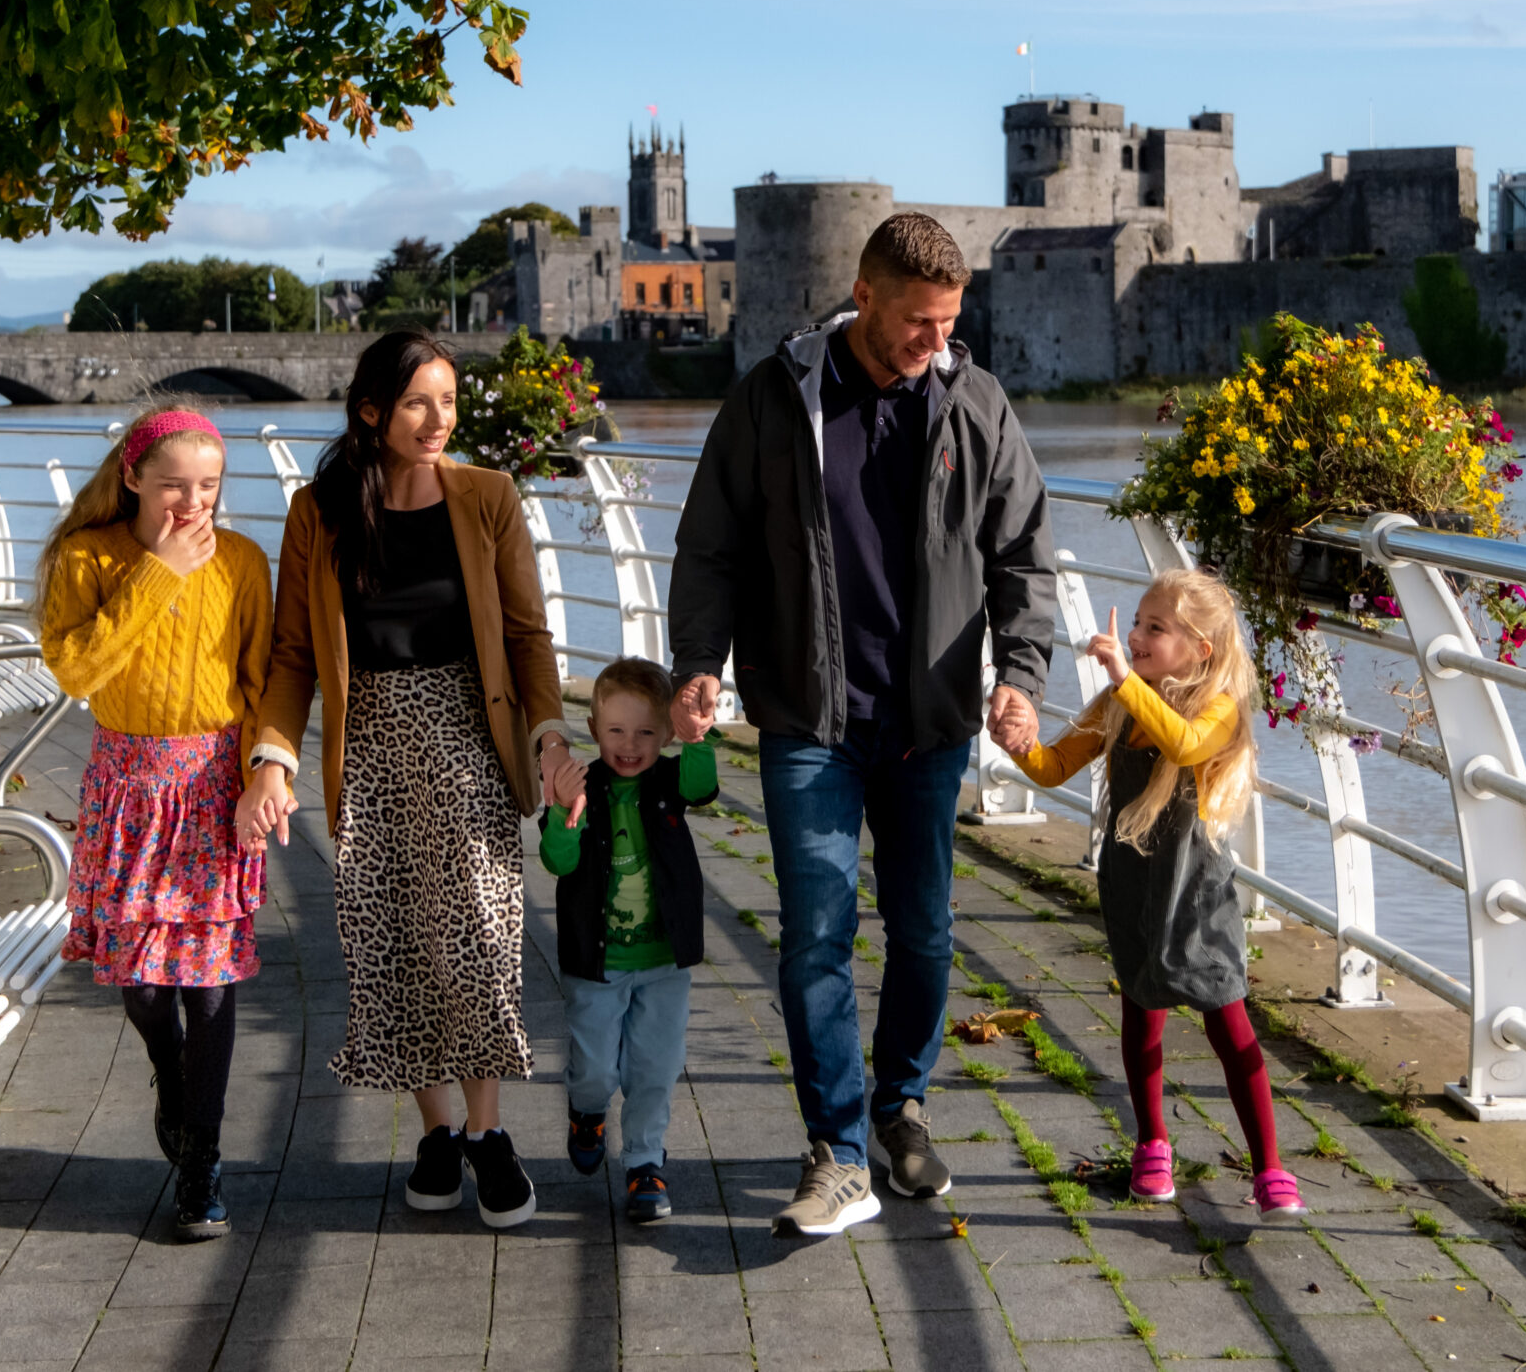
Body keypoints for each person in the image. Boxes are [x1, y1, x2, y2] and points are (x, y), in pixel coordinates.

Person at [667, 212, 1056, 1237]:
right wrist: (698, 664)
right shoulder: (772, 398)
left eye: (948, 324)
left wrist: (1018, 673)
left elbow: (1022, 552)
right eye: (919, 323)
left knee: (924, 932)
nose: (935, 343)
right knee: (817, 935)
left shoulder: (974, 403)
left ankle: (902, 1107)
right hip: (809, 716)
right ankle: (838, 1150)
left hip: (930, 721)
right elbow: (711, 547)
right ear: (865, 294)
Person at [242, 329, 579, 1231]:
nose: (439, 419)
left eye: (449, 400)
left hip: (470, 737)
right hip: (374, 752)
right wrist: (271, 756)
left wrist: (549, 737)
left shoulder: (488, 497)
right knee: (389, 942)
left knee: (478, 932)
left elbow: (526, 636)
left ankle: (488, 1132)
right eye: (419, 402)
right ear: (371, 412)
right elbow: (291, 655)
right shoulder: (318, 513)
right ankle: (437, 1133)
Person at [994, 569, 1305, 1224]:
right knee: (1142, 1013)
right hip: (1131, 879)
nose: (1134, 635)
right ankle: (1152, 1141)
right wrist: (1020, 744)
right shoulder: (1117, 706)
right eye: (1136, 622)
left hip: (1197, 891)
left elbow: (1184, 742)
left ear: (1201, 648)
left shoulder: (1217, 706)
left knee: (1230, 1022)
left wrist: (1125, 681)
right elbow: (1054, 766)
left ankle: (1270, 1165)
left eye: (1154, 627)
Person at [37, 406, 273, 1241]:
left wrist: (263, 775)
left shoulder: (244, 560)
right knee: (141, 981)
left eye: (208, 485)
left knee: (209, 984)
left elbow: (257, 681)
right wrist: (159, 571)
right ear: (133, 476)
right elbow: (76, 667)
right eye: (175, 483)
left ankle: (203, 1161)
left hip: (213, 788)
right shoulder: (87, 556)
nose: (193, 501)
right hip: (128, 791)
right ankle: (170, 1074)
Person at [539, 657, 720, 1226]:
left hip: (663, 961)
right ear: (594, 731)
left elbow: (703, 787)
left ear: (664, 733)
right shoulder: (581, 787)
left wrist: (695, 741)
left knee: (655, 1066)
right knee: (596, 1067)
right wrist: (563, 816)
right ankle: (587, 1110)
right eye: (615, 731)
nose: (630, 744)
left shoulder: (667, 779)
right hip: (597, 963)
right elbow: (556, 861)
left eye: (646, 732)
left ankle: (645, 1162)